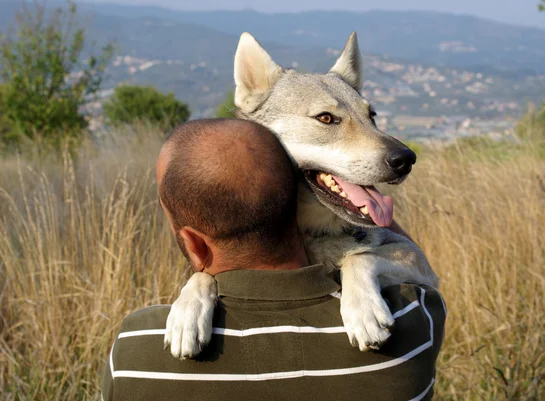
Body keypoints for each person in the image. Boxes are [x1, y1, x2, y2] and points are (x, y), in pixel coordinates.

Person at [101, 119, 446, 401]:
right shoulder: (409, 318)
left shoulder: (136, 349)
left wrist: (201, 281)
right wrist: (364, 204)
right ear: (298, 200)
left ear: (193, 243)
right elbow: (417, 267)